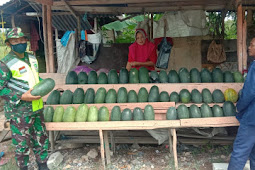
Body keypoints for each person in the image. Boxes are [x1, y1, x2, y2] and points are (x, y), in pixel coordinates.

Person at [0, 27, 49, 170]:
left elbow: (34, 78)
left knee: (41, 139)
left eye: (22, 40)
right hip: (19, 112)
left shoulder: (32, 58)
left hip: (36, 107)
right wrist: (22, 96)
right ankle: (23, 167)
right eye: (15, 41)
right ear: (9, 44)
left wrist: (44, 85)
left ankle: (43, 166)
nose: (20, 43)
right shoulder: (5, 63)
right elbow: (1, 88)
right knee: (22, 144)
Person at [228, 37, 255, 170]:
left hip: (252, 118)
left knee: (240, 152)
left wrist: (239, 107)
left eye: (252, 45)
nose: (249, 47)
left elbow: (249, 92)